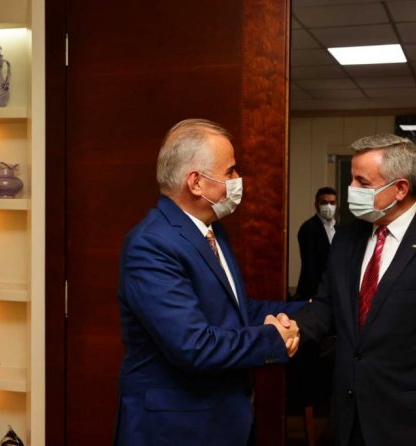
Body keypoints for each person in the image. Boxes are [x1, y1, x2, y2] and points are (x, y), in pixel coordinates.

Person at [114, 119, 304, 446]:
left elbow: (234, 311)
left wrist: (309, 310)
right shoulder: (151, 244)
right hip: (176, 430)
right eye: (230, 171)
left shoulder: (210, 230)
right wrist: (273, 339)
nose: (238, 179)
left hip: (220, 421)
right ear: (196, 182)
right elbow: (194, 346)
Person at [292, 134, 416, 445]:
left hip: (410, 424)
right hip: (348, 419)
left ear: (400, 188)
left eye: (362, 182)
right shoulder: (346, 239)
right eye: (352, 178)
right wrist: (292, 328)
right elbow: (326, 304)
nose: (351, 188)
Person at [295, 186, 338, 301]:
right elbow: (310, 265)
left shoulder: (337, 228)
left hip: (332, 290)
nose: (328, 206)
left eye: (332, 203)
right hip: (313, 292)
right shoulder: (309, 228)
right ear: (316, 204)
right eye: (324, 202)